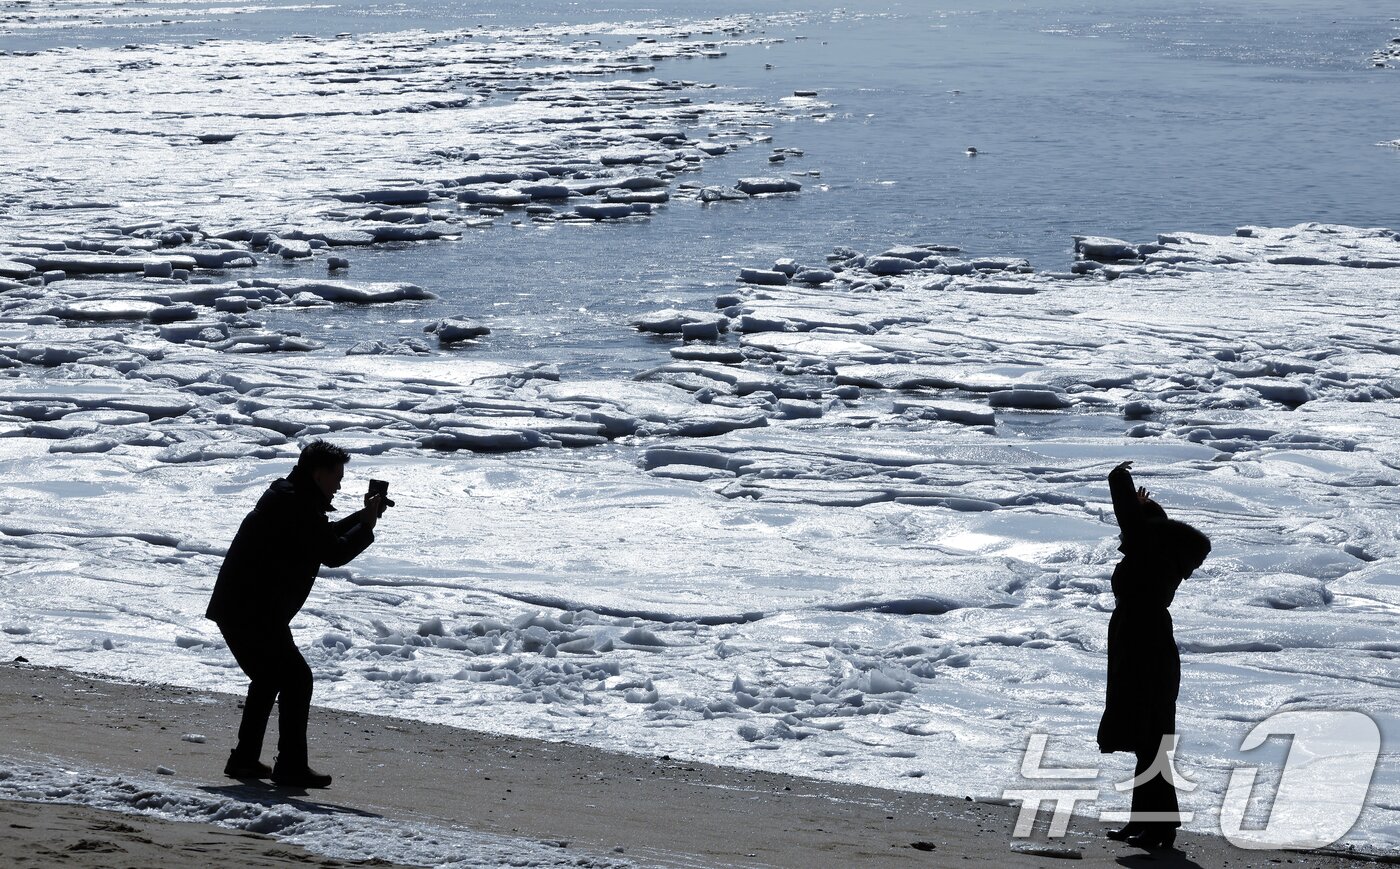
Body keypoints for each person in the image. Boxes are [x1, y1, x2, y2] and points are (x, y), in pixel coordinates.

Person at [206, 440, 387, 788]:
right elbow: (333, 553)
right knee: (296, 679)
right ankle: (289, 766)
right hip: (252, 610)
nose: (339, 486)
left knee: (270, 678)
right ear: (318, 474)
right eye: (337, 478)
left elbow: (322, 538)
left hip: (247, 608)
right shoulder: (296, 503)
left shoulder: (292, 497)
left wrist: (362, 519)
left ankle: (245, 760)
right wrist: (365, 527)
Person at [1097, 461, 1210, 850]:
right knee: (1149, 741)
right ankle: (1145, 821)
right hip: (1146, 646)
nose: (1122, 536)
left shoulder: (1149, 551)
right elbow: (1134, 523)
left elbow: (1128, 518)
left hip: (1144, 649)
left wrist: (1119, 479)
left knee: (1151, 740)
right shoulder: (1160, 554)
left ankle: (1158, 826)